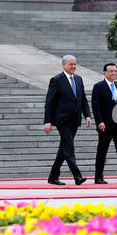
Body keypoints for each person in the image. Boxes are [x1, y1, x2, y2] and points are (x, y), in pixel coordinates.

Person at [44, 55, 91, 185]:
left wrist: (87, 115)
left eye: (75, 64)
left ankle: (53, 177)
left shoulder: (78, 79)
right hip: (62, 120)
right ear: (64, 65)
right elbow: (49, 102)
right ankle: (77, 176)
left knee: (63, 149)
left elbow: (83, 99)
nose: (73, 67)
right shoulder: (56, 80)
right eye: (71, 64)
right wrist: (47, 121)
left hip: (75, 120)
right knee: (69, 147)